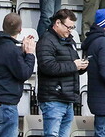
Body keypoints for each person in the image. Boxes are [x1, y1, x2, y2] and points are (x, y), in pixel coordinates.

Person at [37, 8, 87, 137]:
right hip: (53, 98)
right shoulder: (46, 41)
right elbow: (47, 67)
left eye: (72, 28)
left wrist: (82, 66)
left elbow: (72, 66)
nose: (70, 30)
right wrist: (74, 65)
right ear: (57, 23)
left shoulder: (70, 40)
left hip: (67, 97)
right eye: (68, 27)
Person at [0, 13, 37, 137]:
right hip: (5, 104)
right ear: (20, 29)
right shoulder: (11, 49)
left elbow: (10, 62)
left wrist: (22, 52)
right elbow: (24, 73)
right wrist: (29, 54)